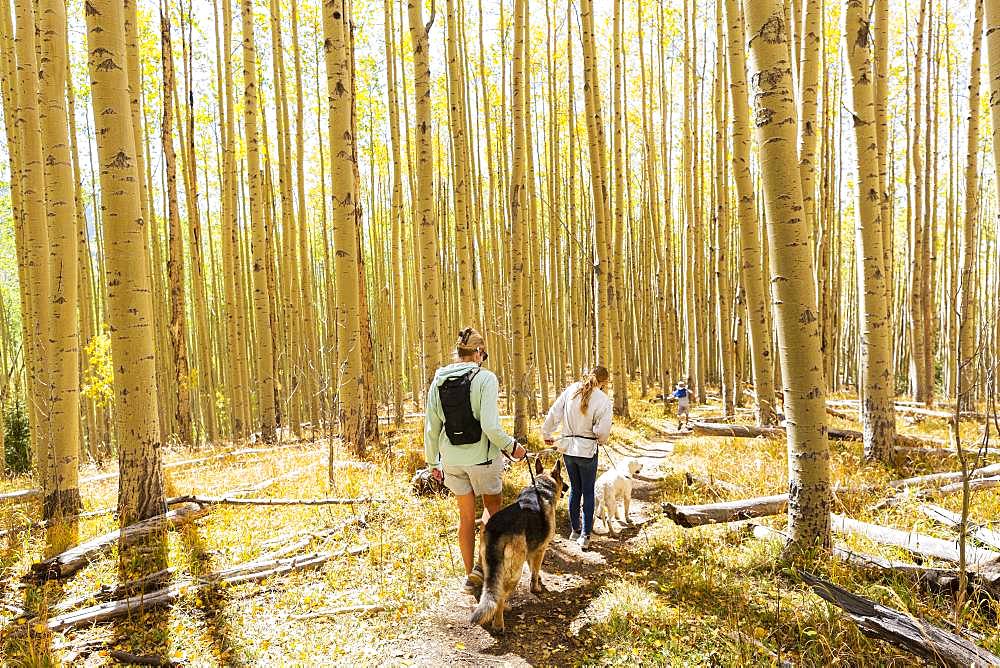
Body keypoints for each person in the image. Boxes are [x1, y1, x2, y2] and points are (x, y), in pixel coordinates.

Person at [425, 327, 527, 595]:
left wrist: (432, 463)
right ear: (479, 353)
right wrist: (512, 447)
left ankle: (469, 574)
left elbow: (431, 426)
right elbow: (491, 427)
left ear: (458, 353)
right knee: (492, 513)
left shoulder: (439, 380)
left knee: (466, 517)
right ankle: (484, 572)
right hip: (482, 458)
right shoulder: (486, 378)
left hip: (452, 460)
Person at [541, 366, 613, 549]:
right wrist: (599, 437)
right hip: (587, 450)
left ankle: (575, 530)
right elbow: (602, 431)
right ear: (604, 382)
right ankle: (585, 535)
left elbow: (554, 412)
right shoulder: (603, 399)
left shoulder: (572, 389)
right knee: (588, 491)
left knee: (575, 488)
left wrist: (547, 433)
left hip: (568, 450)